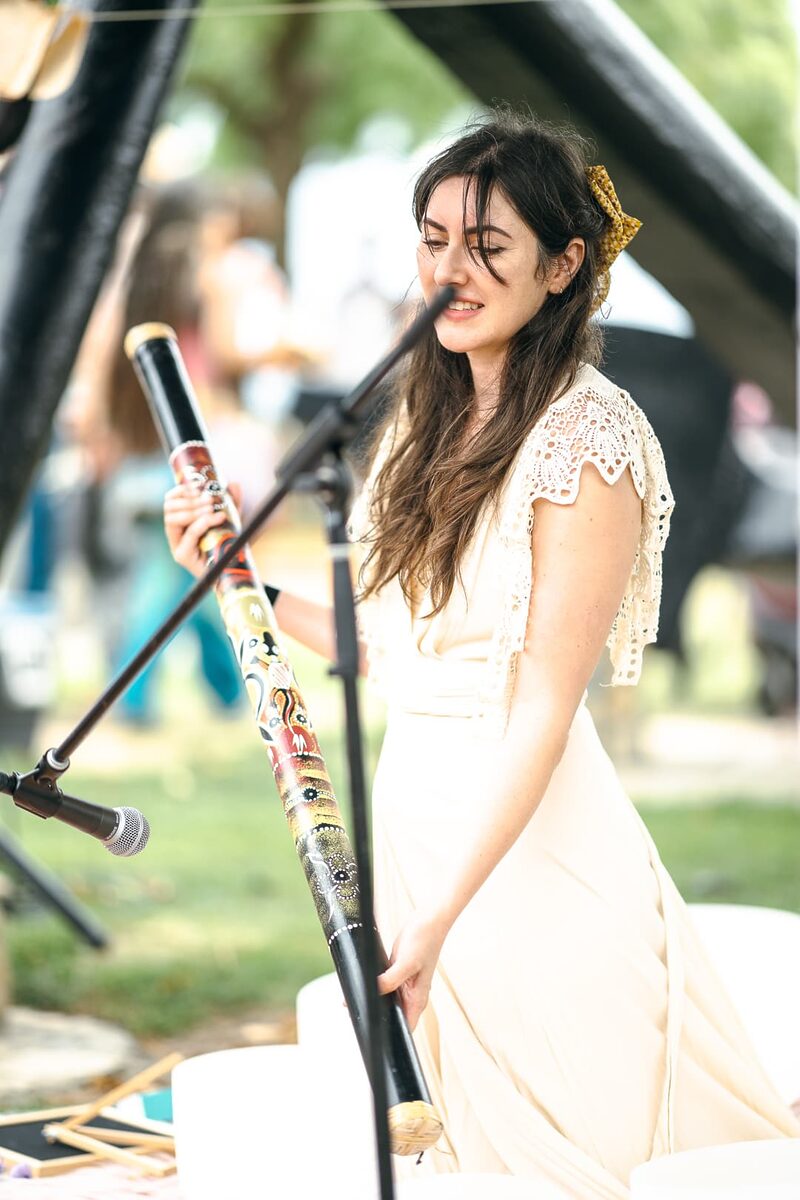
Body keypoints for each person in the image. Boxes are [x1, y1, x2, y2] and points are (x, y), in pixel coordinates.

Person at [163, 112, 800, 1195]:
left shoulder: (587, 438)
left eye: (487, 245)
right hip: (414, 824)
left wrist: (439, 915)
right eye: (433, 240)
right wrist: (239, 577)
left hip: (523, 850)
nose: (449, 271)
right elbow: (389, 646)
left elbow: (542, 705)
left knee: (569, 1151)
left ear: (562, 265)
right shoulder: (422, 421)